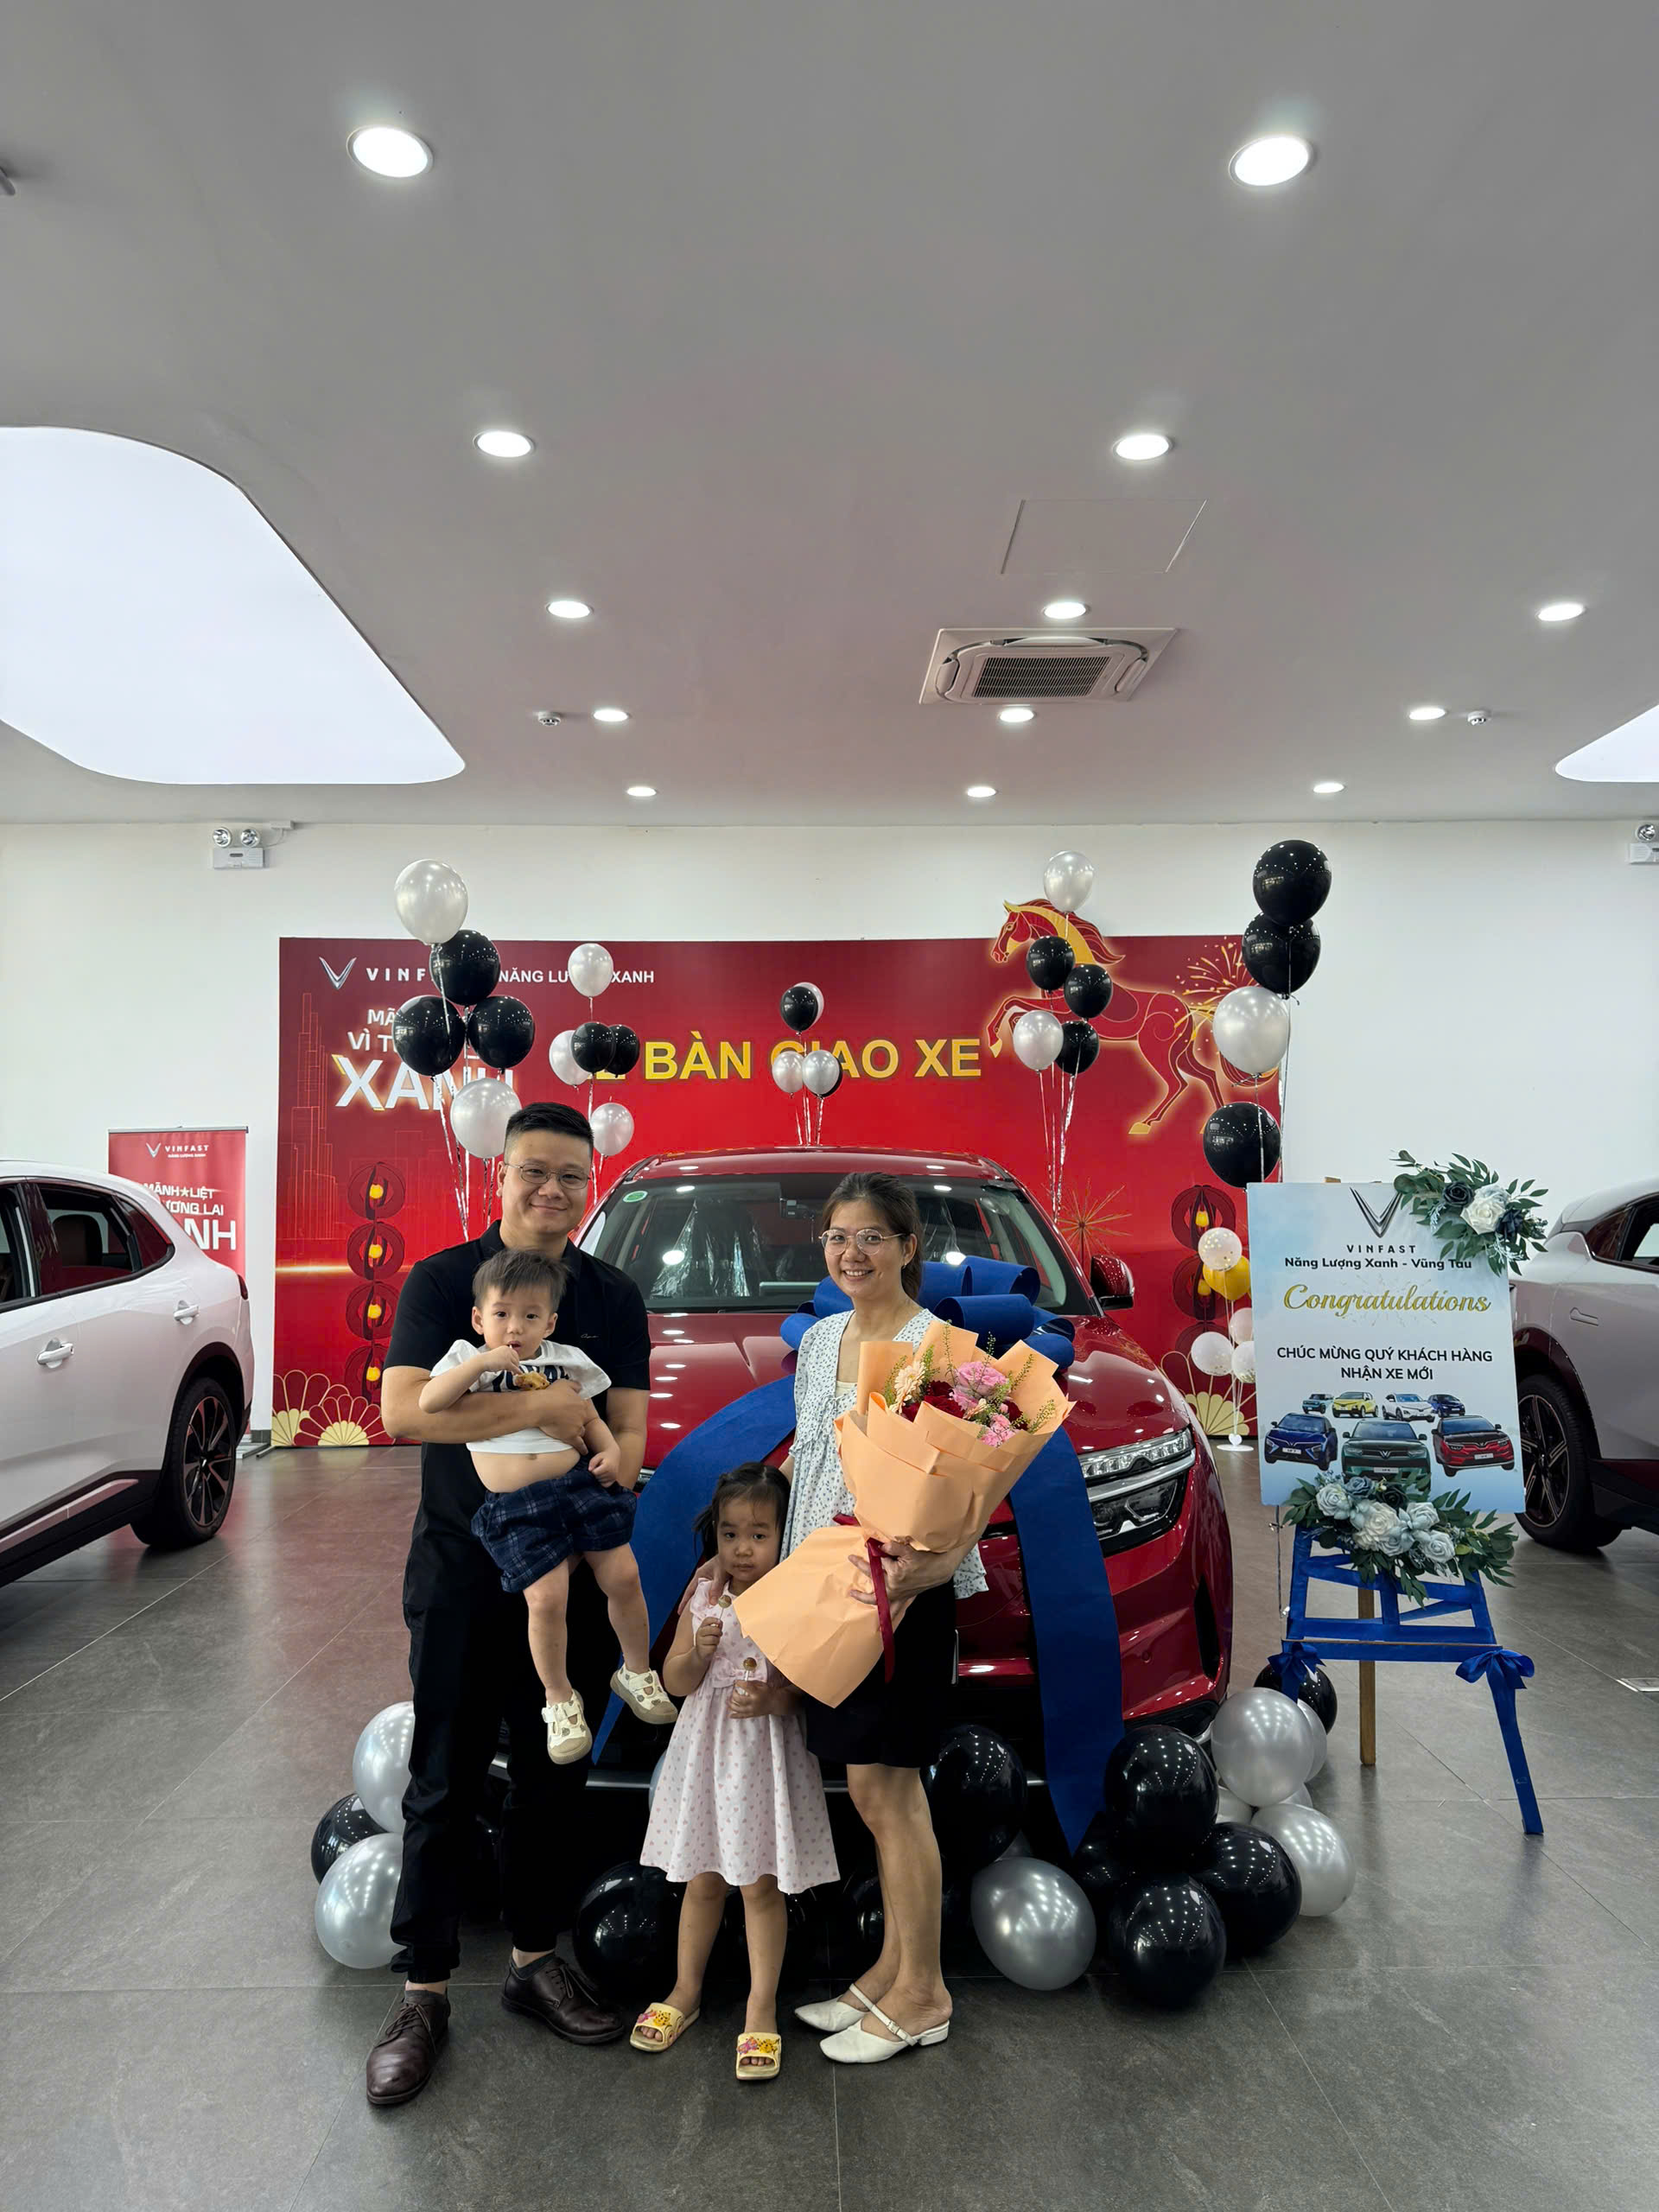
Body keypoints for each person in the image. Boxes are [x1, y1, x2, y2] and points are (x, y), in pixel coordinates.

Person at [364, 1100, 652, 2109]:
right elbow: (402, 1411)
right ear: (501, 1173)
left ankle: (534, 1959)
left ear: (589, 1183)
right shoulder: (446, 1281)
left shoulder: (611, 1295)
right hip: (459, 1569)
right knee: (443, 1776)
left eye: (572, 1175)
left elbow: (629, 1428)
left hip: (563, 1571)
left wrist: (615, 1459)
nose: (552, 1190)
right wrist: (541, 1405)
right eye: (535, 1170)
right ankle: (423, 1989)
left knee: (549, 1773)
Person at [782, 1172, 994, 2066]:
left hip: (901, 1594)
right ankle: (888, 1973)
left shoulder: (940, 1345)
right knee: (868, 1791)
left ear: (909, 1247)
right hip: (826, 1590)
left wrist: (944, 1558)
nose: (852, 1252)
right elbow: (809, 1458)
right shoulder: (819, 1339)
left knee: (892, 1792)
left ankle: (924, 1993)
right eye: (838, 1235)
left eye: (872, 1235)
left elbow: (986, 1466)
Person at [418, 1246, 676, 1764]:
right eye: (501, 1314)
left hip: (577, 1486)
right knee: (547, 1598)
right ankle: (559, 1699)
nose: (515, 1328)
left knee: (625, 1575)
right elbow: (427, 1403)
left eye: (531, 1316)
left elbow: (591, 1416)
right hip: (517, 1507)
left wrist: (609, 1452)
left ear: (551, 1322)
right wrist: (483, 1362)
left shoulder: (565, 1361)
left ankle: (636, 1670)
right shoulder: (468, 1359)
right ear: (479, 1319)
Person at [632, 1463, 838, 2082]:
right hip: (706, 1754)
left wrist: (774, 1698)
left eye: (758, 1535)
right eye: (729, 1534)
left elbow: (808, 1688)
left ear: (783, 1536)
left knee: (759, 1887)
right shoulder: (703, 1596)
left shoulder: (792, 1601)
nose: (742, 1549)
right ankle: (685, 1990)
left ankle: (760, 2006)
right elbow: (674, 1681)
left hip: (763, 1759)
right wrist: (696, 1652)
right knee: (701, 1879)